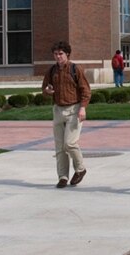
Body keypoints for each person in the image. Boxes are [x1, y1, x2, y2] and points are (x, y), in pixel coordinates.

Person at [41, 41, 91, 188]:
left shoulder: (75, 69)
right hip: (58, 110)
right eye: (56, 54)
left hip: (74, 109)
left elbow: (86, 91)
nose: (58, 56)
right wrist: (47, 91)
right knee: (60, 147)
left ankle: (80, 169)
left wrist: (83, 108)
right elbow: (44, 88)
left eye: (61, 54)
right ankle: (62, 177)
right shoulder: (52, 71)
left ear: (67, 54)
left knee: (69, 143)